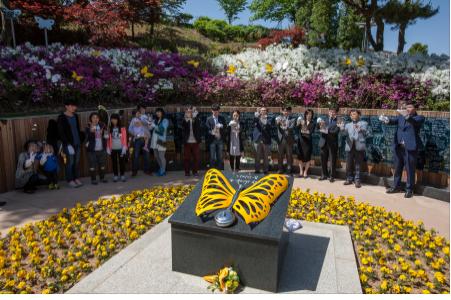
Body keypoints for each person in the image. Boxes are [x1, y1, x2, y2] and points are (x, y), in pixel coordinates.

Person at [379, 102, 425, 198]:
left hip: (410, 148)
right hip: (398, 147)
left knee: (410, 169)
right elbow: (392, 121)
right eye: (406, 107)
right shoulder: (400, 117)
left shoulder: (419, 118)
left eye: (410, 107)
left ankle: (409, 190)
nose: (407, 108)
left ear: (414, 109)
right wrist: (386, 120)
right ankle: (396, 187)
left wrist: (407, 116)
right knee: (397, 168)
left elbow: (414, 122)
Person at [57, 99, 85, 188]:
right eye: (72, 106)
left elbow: (77, 129)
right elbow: (61, 133)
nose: (74, 107)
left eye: (75, 106)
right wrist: (67, 144)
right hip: (68, 145)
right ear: (66, 106)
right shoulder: (61, 117)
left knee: (76, 162)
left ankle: (76, 178)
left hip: (77, 143)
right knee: (70, 162)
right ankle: (70, 180)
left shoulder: (75, 116)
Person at [339, 109, 368, 188]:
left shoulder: (364, 123)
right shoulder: (348, 125)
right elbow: (344, 134)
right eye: (351, 115)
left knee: (358, 164)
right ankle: (349, 179)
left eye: (354, 114)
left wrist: (360, 129)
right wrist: (341, 129)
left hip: (359, 145)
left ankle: (357, 180)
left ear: (358, 115)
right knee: (348, 164)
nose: (352, 116)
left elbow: (366, 133)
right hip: (349, 145)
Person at [317, 105, 341, 182]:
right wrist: (319, 125)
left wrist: (326, 130)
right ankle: (324, 175)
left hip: (332, 143)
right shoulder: (324, 119)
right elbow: (318, 128)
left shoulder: (338, 121)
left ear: (336, 113)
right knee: (323, 160)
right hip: (323, 142)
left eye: (333, 112)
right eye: (330, 111)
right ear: (328, 111)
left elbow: (336, 131)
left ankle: (332, 176)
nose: (331, 113)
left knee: (332, 160)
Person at [85, 112, 108, 185]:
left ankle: (102, 178)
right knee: (92, 165)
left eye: (97, 117)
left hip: (102, 149)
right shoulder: (88, 127)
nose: (95, 119)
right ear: (91, 119)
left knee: (102, 165)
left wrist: (104, 134)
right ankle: (93, 179)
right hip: (92, 150)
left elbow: (106, 136)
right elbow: (86, 139)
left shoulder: (103, 126)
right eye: (93, 117)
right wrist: (91, 132)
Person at [128, 109, 151, 176]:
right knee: (136, 156)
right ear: (135, 114)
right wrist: (135, 134)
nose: (138, 114)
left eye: (139, 113)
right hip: (138, 139)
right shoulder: (133, 120)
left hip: (145, 139)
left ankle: (147, 170)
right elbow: (129, 129)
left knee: (146, 155)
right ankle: (134, 171)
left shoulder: (144, 119)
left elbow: (149, 126)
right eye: (137, 113)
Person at [107, 113, 128, 182]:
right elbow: (108, 139)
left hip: (121, 148)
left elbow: (125, 138)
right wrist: (108, 147)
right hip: (113, 149)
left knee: (122, 162)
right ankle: (115, 175)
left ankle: (122, 175)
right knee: (114, 163)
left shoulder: (122, 128)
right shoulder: (109, 128)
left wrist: (124, 147)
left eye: (115, 119)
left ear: (118, 120)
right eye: (112, 119)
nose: (113, 121)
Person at [181, 106, 201, 176]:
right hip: (187, 142)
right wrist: (187, 119)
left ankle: (195, 172)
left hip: (195, 142)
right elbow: (183, 126)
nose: (189, 113)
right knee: (187, 158)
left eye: (191, 112)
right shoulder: (184, 119)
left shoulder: (196, 119)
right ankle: (187, 172)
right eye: (188, 112)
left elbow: (198, 126)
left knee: (196, 158)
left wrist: (194, 117)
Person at [205, 104, 226, 170]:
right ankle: (212, 171)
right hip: (212, 140)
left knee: (220, 156)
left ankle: (219, 171)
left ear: (219, 111)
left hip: (220, 139)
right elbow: (207, 130)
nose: (216, 112)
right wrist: (212, 132)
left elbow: (225, 127)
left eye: (217, 111)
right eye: (214, 111)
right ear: (212, 111)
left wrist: (222, 126)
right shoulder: (209, 119)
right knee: (212, 157)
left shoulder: (222, 118)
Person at [275, 106, 295, 174]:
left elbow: (291, 128)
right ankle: (280, 169)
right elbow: (276, 126)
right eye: (284, 111)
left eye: (287, 111)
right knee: (280, 155)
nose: (286, 112)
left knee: (289, 155)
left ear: (290, 112)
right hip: (280, 139)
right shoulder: (278, 118)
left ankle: (289, 169)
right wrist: (277, 123)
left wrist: (284, 125)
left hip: (289, 140)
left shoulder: (293, 119)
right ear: (282, 111)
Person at [150, 107, 169, 176]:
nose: (157, 113)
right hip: (154, 140)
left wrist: (154, 125)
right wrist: (150, 124)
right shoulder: (155, 120)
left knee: (161, 156)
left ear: (162, 113)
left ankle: (163, 171)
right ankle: (161, 168)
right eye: (157, 112)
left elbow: (162, 130)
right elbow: (152, 128)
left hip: (161, 140)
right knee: (156, 156)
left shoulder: (165, 120)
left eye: (159, 112)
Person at [252, 107, 272, 174]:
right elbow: (254, 123)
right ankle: (257, 169)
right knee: (257, 156)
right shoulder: (256, 118)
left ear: (266, 111)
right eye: (262, 110)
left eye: (264, 110)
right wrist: (257, 116)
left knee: (266, 156)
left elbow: (269, 126)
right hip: (257, 139)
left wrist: (264, 120)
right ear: (260, 112)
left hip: (266, 139)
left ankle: (265, 170)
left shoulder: (269, 119)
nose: (263, 111)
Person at [297, 109, 315, 178]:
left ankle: (305, 172)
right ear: (305, 115)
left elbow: (310, 132)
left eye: (310, 114)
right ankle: (301, 171)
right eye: (307, 114)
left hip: (308, 142)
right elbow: (297, 128)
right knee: (300, 157)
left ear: (312, 115)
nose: (309, 115)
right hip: (300, 141)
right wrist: (299, 123)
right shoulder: (301, 121)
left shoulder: (313, 123)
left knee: (307, 157)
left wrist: (304, 129)